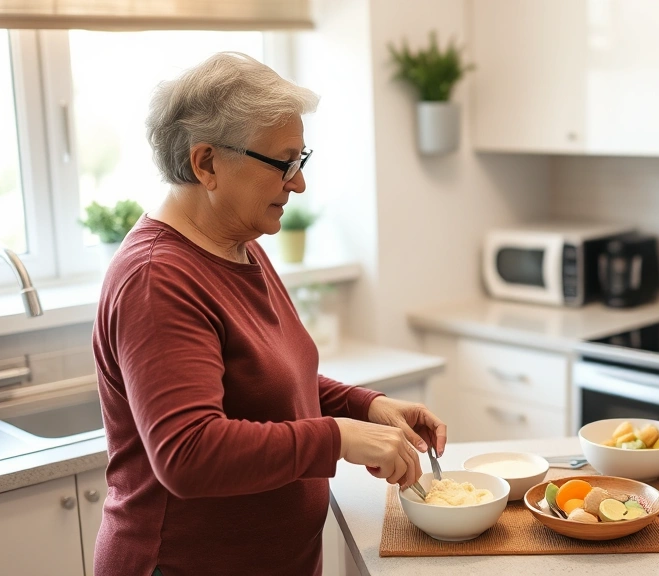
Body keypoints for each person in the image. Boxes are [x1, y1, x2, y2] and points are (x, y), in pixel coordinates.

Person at [91, 52, 447, 576]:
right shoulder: (157, 279)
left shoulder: (239, 244)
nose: (298, 183)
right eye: (283, 164)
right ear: (206, 163)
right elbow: (188, 453)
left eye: (301, 159)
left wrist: (363, 406)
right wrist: (339, 437)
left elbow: (269, 379)